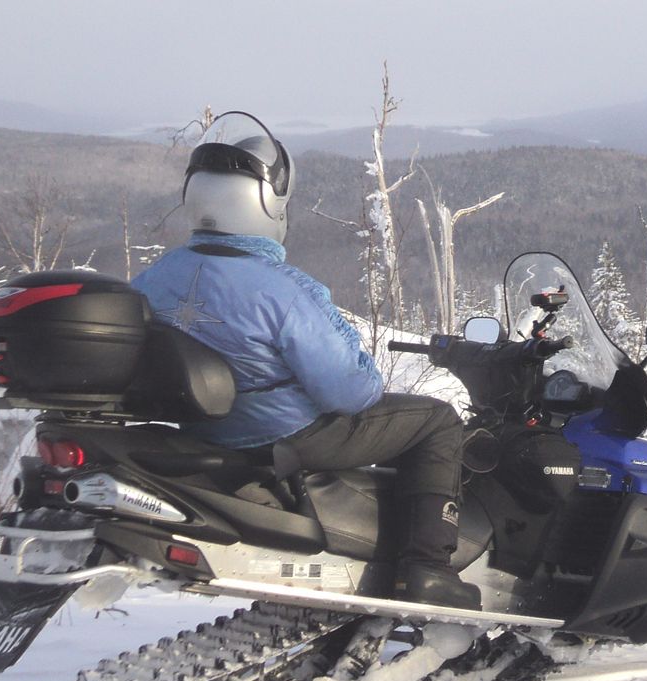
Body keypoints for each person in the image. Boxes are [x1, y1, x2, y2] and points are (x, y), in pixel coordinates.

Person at [132, 111, 479, 611]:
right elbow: (353, 392)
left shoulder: (153, 279)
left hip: (201, 435)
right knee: (437, 421)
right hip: (282, 438)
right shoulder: (286, 292)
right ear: (268, 205)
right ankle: (427, 568)